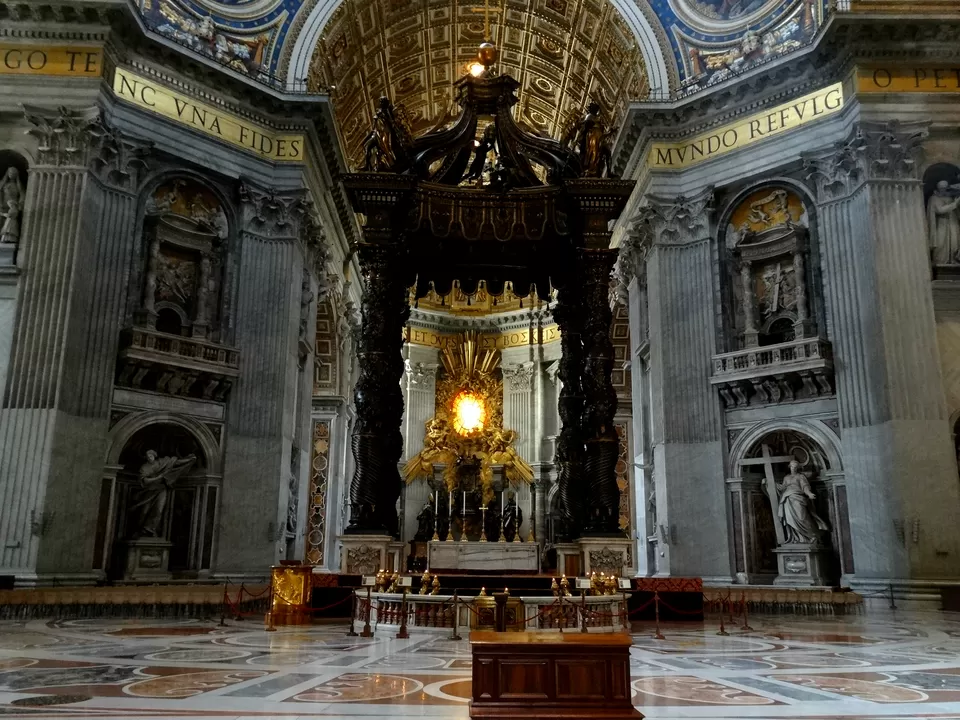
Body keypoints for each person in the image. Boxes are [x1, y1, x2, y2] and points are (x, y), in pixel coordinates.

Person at [130, 450, 197, 538]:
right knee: (144, 511)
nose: (149, 458)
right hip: (149, 491)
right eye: (147, 456)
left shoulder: (163, 462)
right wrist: (158, 477)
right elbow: (144, 480)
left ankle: (150, 530)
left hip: (161, 489)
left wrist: (189, 460)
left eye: (151, 456)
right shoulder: (144, 467)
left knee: (158, 510)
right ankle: (139, 530)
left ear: (155, 455)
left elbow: (176, 463)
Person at [776, 460, 829, 544]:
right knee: (790, 519)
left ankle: (812, 535)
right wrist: (770, 483)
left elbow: (805, 486)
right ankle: (796, 538)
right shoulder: (786, 477)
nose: (794, 468)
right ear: (790, 467)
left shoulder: (800, 476)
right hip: (787, 499)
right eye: (793, 466)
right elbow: (782, 487)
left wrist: (809, 494)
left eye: (796, 466)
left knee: (801, 518)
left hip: (798, 498)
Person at [928, 180, 960, 265]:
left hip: (953, 223)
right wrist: (955, 204)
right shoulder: (934, 198)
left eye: (946, 188)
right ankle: (940, 262)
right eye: (942, 188)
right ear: (937, 189)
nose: (944, 190)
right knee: (940, 244)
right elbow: (940, 210)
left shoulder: (951, 198)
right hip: (941, 224)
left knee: (954, 243)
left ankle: (953, 260)